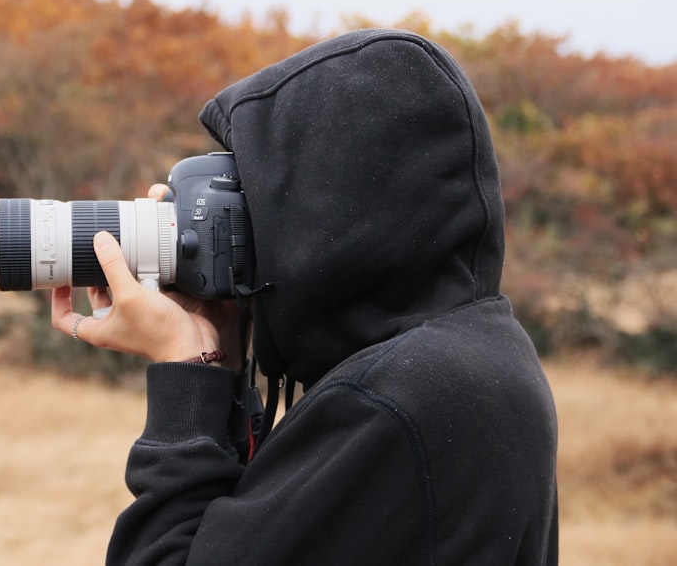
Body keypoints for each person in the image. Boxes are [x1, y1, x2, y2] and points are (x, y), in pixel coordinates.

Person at [51, 29, 558, 565]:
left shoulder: (396, 400)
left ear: (333, 201)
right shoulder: (479, 351)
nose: (247, 221)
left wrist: (186, 374)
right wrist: (222, 344)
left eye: (259, 194)